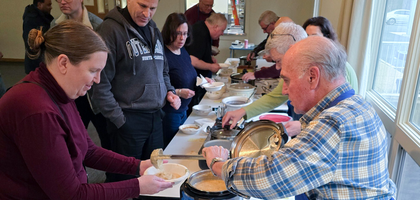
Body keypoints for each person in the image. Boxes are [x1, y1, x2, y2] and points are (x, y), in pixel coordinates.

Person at [203, 36, 397, 200]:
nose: (284, 90)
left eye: (286, 80)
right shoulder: (357, 104)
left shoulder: (334, 124)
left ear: (312, 76)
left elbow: (271, 177)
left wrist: (218, 165)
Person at [0, 20, 173, 200]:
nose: (98, 79)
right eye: (93, 70)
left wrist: (138, 166)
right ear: (63, 63)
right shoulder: (36, 110)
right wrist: (137, 186)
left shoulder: (60, 90)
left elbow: (87, 150)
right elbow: (70, 194)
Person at [90, 0, 181, 183]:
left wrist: (169, 91)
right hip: (128, 119)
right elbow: (99, 84)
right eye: (142, 6)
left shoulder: (153, 28)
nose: (147, 14)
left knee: (155, 175)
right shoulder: (110, 30)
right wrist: (120, 120)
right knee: (125, 181)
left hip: (155, 118)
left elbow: (163, 70)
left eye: (152, 8)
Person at [222, 22, 307, 130]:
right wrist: (243, 111)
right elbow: (275, 97)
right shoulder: (294, 71)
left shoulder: (315, 75)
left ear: (293, 51)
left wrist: (304, 126)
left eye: (279, 61)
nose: (277, 68)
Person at [52, 0, 111, 150]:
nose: (62, 2)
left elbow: (106, 65)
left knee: (107, 140)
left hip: (96, 93)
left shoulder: (99, 25)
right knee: (73, 142)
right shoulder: (55, 26)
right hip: (70, 94)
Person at [161, 13, 196, 148]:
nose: (182, 38)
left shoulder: (183, 51)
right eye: (178, 33)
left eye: (185, 33)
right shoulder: (163, 55)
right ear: (169, 33)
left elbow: (188, 75)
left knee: (181, 147)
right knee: (172, 148)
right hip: (170, 113)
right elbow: (159, 86)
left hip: (183, 109)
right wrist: (179, 92)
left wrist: (204, 81)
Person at [185, 12, 226, 115]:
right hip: (194, 82)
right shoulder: (200, 33)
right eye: (222, 30)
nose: (222, 33)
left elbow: (198, 53)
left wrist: (209, 58)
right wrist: (210, 66)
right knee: (195, 113)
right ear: (216, 27)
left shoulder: (203, 28)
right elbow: (192, 60)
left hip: (200, 80)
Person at [242, 15, 294, 82]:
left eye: (265, 28)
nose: (264, 32)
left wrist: (256, 75)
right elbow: (279, 67)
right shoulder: (284, 35)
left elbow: (281, 68)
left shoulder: (288, 40)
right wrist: (255, 52)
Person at [22, 0, 54, 74]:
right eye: (48, 5)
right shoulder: (32, 20)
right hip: (36, 63)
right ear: (39, 5)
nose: (51, 7)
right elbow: (31, 43)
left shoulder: (44, 17)